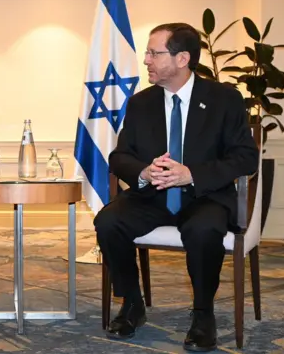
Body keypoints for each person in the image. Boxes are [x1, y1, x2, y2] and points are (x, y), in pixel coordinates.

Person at [94, 23, 259, 352]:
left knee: (203, 230)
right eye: (148, 53)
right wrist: (144, 170)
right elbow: (120, 156)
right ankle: (132, 303)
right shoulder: (141, 103)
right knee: (108, 222)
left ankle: (202, 314)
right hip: (152, 195)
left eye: (154, 53)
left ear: (183, 58)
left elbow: (245, 159)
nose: (146, 61)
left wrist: (191, 174)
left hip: (205, 196)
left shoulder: (225, 99)